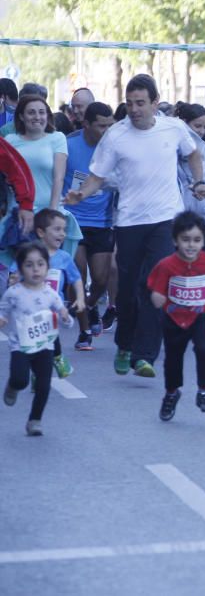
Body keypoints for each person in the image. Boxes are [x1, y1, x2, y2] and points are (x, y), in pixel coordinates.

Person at [66, 74, 205, 379]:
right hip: (129, 220)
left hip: (164, 219)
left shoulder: (173, 128)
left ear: (155, 103)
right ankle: (124, 345)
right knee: (129, 291)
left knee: (155, 285)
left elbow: (193, 153)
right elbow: (98, 175)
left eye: (140, 103)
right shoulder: (116, 135)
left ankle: (145, 355)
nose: (134, 109)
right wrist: (83, 193)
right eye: (130, 103)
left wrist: (199, 181)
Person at [148, 211, 205, 421]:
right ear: (175, 240)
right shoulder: (167, 265)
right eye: (186, 240)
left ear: (204, 241)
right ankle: (171, 393)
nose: (191, 245)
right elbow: (156, 290)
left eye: (197, 240)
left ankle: (204, 391)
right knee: (173, 358)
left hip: (201, 315)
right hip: (173, 318)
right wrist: (157, 297)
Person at [0, 242, 74, 436]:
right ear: (21, 267)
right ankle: (13, 386)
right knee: (20, 379)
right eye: (29, 265)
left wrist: (66, 317)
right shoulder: (13, 293)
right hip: (21, 346)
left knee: (43, 385)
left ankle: (35, 420)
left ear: (47, 267)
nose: (35, 269)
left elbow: (64, 317)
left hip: (45, 346)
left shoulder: (50, 294)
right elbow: (3, 311)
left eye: (40, 264)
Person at [62, 102, 116, 350]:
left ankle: (92, 305)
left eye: (110, 125)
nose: (107, 130)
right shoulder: (69, 145)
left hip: (102, 222)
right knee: (78, 277)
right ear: (86, 124)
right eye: (101, 126)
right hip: (73, 221)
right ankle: (84, 330)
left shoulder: (114, 147)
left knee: (102, 279)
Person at [32, 209, 84, 379]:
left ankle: (56, 359)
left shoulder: (65, 257)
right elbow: (16, 273)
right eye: (57, 229)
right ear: (41, 232)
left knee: (49, 335)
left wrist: (81, 298)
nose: (62, 234)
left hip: (54, 308)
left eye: (64, 230)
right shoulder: (30, 254)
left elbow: (76, 279)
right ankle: (46, 366)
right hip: (30, 307)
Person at [6, 94, 67, 212]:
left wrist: (53, 211)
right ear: (21, 116)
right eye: (31, 112)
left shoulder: (58, 138)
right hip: (18, 212)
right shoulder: (10, 140)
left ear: (47, 115)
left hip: (48, 212)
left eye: (41, 112)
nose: (37, 117)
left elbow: (58, 178)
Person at [176, 103, 205, 241]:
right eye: (197, 126)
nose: (202, 131)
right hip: (180, 218)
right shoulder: (174, 152)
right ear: (184, 124)